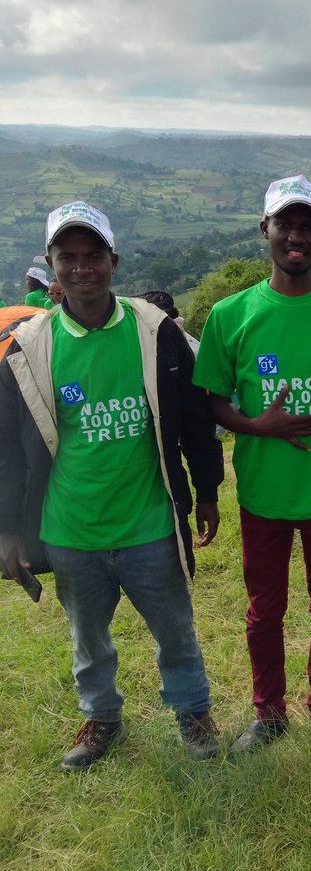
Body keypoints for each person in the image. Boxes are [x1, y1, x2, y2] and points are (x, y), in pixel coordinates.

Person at [0, 201, 225, 770]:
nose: (82, 268)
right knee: (88, 642)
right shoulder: (31, 349)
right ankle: (101, 719)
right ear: (51, 267)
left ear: (113, 261)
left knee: (175, 631)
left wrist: (207, 492)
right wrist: (7, 531)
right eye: (67, 257)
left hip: (148, 522)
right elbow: (6, 452)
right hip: (71, 531)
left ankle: (192, 712)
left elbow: (196, 421)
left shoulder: (155, 334)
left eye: (93, 255)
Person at [193, 174, 311, 750]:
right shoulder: (230, 315)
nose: (295, 236)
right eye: (284, 225)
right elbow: (213, 400)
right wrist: (255, 425)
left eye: (307, 226)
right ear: (264, 230)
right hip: (263, 494)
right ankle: (268, 711)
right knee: (264, 610)